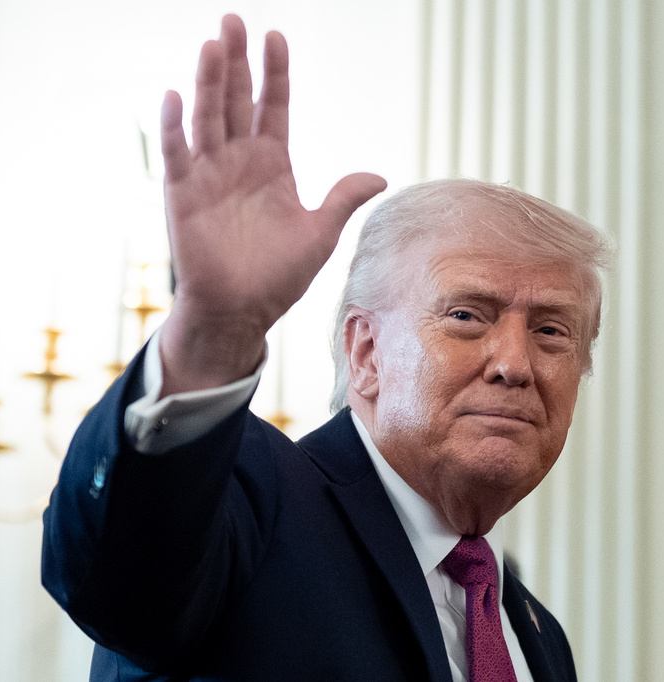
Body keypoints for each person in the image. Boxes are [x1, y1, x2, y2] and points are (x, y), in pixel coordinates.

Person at [42, 13, 611, 682]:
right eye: (466, 315)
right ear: (366, 353)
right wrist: (212, 335)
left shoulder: (538, 636)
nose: (514, 363)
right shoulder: (251, 500)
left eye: (550, 331)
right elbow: (120, 585)